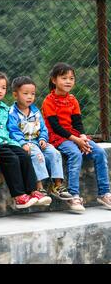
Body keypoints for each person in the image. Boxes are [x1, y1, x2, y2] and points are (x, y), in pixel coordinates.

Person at [0, 70, 51, 209]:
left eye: (3, 88)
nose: (0, 90)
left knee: (24, 156)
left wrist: (21, 143)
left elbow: (11, 128)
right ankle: (19, 196)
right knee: (12, 159)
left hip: (8, 140)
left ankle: (33, 191)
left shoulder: (5, 108)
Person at [42, 62, 111, 212]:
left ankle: (104, 193)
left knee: (99, 153)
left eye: (71, 78)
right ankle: (73, 196)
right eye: (64, 78)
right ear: (54, 80)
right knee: (75, 154)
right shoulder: (49, 101)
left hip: (75, 135)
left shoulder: (72, 100)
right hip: (58, 137)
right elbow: (56, 127)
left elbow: (78, 123)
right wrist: (77, 140)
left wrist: (83, 138)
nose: (68, 81)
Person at [7, 76, 72, 203]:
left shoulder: (35, 111)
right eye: (25, 94)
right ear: (15, 95)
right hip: (26, 143)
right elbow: (13, 131)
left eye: (32, 94)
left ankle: (57, 185)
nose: (30, 97)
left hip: (38, 141)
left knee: (55, 153)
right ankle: (39, 187)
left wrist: (43, 138)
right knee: (36, 155)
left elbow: (43, 127)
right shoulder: (12, 112)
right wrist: (22, 143)